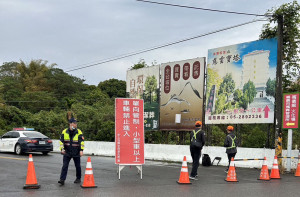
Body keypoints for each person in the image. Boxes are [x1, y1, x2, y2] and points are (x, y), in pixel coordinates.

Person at [58, 118, 85, 185]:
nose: (76, 124)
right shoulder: (64, 131)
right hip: (67, 152)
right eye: (74, 123)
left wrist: (81, 150)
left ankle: (78, 178)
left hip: (76, 152)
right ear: (70, 124)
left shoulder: (79, 132)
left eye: (76, 123)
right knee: (65, 166)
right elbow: (61, 141)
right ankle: (62, 180)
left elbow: (81, 142)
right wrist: (62, 149)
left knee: (78, 166)